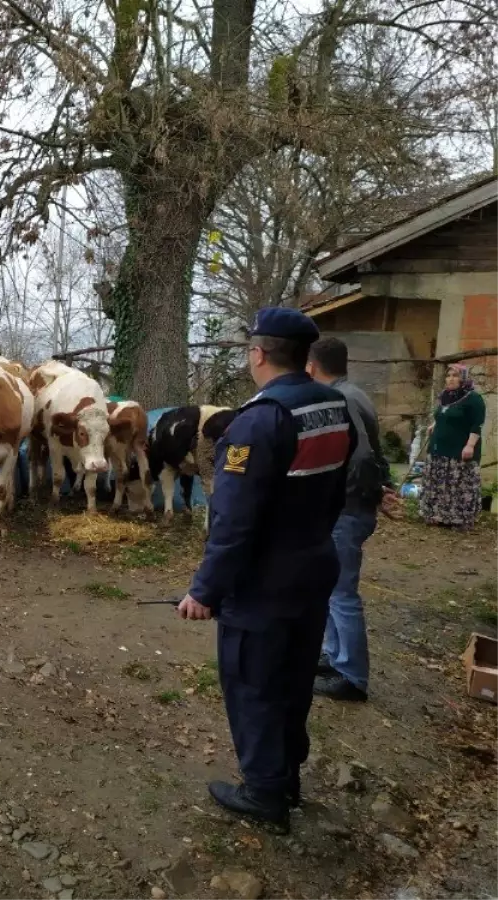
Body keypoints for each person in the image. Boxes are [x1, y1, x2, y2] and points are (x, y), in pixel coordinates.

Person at [177, 307, 356, 833]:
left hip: (265, 582)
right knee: (295, 678)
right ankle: (287, 778)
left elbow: (233, 521)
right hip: (315, 564)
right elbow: (337, 486)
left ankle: (264, 793)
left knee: (253, 681)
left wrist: (204, 590)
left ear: (258, 353)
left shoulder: (257, 421)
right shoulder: (332, 405)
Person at [306, 337, 395, 703]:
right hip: (353, 508)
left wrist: (351, 497)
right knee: (329, 586)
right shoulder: (355, 393)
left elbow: (359, 459)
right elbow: (375, 450)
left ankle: (353, 676)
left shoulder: (340, 400)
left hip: (347, 510)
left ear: (312, 367)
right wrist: (383, 486)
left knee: (342, 592)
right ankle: (333, 655)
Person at [420, 364, 486, 529]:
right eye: (448, 375)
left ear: (463, 378)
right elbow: (444, 413)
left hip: (459, 451)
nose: (450, 379)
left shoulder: (473, 399)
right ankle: (436, 515)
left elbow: (476, 424)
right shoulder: (445, 396)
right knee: (438, 483)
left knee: (458, 485)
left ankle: (459, 519)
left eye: (455, 376)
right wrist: (435, 424)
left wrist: (470, 445)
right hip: (438, 448)